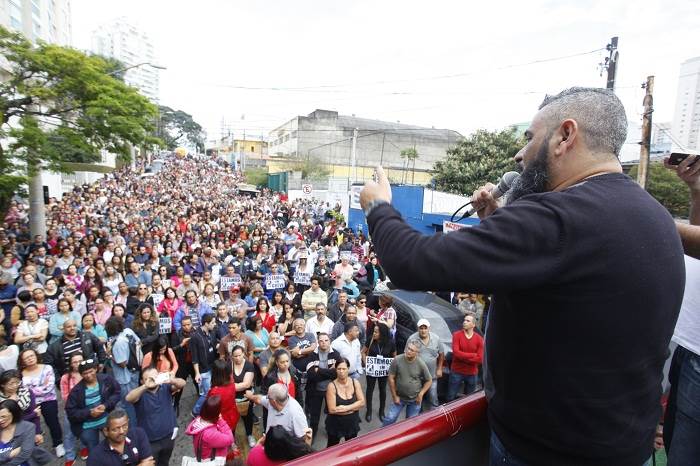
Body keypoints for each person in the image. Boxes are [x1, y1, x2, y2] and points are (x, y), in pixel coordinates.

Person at [360, 87, 684, 465]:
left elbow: (409, 262)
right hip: (625, 447)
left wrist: (378, 206)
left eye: (530, 138)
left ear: (565, 135)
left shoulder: (557, 216)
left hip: (545, 453)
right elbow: (564, 282)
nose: (520, 154)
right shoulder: (656, 216)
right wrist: (496, 220)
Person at [125, 367, 185, 466]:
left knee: (164, 462)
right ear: (141, 381)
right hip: (149, 442)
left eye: (155, 377)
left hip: (168, 436)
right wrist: (145, 386)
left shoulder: (165, 387)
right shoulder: (140, 394)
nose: (152, 380)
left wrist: (171, 380)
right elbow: (128, 398)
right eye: (148, 379)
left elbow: (182, 383)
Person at [65, 359, 121, 454]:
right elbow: (71, 412)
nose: (88, 375)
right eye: (85, 373)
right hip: (88, 425)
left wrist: (106, 405)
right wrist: (89, 413)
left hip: (107, 419)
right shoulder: (76, 391)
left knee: (116, 444)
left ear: (96, 369)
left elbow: (117, 393)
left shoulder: (106, 380)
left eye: (91, 371)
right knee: (94, 451)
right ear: (81, 374)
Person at [18, 348, 64, 457]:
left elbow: (49, 388)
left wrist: (31, 389)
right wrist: (41, 386)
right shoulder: (20, 374)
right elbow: (22, 390)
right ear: (22, 361)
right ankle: (33, 447)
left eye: (31, 356)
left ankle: (58, 444)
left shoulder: (47, 368)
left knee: (52, 422)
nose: (30, 359)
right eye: (26, 358)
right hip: (29, 403)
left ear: (36, 356)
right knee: (30, 425)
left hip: (48, 400)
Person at [104, 316, 141, 431]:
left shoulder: (118, 343)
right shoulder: (128, 331)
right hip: (135, 371)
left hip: (125, 378)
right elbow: (139, 342)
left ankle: (133, 429)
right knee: (135, 400)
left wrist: (110, 355)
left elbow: (122, 363)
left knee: (128, 404)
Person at [382, 341, 431, 426]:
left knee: (410, 424)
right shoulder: (397, 360)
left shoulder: (421, 364)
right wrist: (394, 396)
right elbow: (391, 378)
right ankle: (382, 434)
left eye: (412, 350)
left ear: (417, 353)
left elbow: (429, 380)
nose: (408, 351)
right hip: (399, 397)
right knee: (390, 419)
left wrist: (421, 394)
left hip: (415, 400)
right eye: (408, 348)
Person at [85, 409, 154, 466]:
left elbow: (149, 463)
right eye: (115, 429)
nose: (121, 431)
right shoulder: (95, 456)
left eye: (125, 426)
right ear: (106, 431)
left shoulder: (138, 434)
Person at [305, 332, 339, 438]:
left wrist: (318, 370)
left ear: (330, 341)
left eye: (326, 340)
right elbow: (311, 375)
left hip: (330, 390)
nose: (324, 343)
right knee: (314, 416)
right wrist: (329, 372)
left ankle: (331, 431)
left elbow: (336, 373)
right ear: (318, 342)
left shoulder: (335, 354)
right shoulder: (312, 355)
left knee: (331, 413)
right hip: (315, 390)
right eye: (321, 341)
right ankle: (313, 434)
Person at [324, 357, 364, 447]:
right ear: (336, 369)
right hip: (335, 424)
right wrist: (353, 408)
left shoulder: (355, 382)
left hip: (352, 423)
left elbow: (362, 402)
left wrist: (346, 408)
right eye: (339, 369)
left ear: (348, 369)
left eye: (344, 369)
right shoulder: (331, 386)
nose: (341, 371)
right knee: (332, 448)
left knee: (350, 447)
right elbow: (332, 410)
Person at [406, 318, 444, 410]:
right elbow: (406, 355)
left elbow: (441, 354)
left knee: (433, 398)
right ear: (418, 329)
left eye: (425, 328)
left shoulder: (436, 338)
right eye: (421, 328)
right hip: (417, 377)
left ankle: (435, 415)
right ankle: (419, 415)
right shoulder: (412, 339)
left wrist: (439, 368)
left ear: (429, 328)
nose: (423, 331)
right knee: (417, 399)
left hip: (432, 376)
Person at [362, 323, 396, 423]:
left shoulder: (391, 342)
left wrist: (391, 367)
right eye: (374, 331)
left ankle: (381, 411)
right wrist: (366, 363)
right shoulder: (370, 339)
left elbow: (394, 356)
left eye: (376, 332)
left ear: (382, 333)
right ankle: (369, 411)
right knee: (370, 390)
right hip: (372, 370)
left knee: (383, 390)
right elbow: (363, 352)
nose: (374, 333)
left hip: (383, 371)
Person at [185, 395, 233, 461]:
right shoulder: (209, 434)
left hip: (203, 455)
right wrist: (221, 421)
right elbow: (230, 439)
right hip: (212, 460)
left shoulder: (198, 420)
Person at [448, 312, 483, 401]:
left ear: (473, 325)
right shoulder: (456, 335)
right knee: (451, 397)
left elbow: (480, 359)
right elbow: (456, 353)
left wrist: (462, 357)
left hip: (472, 373)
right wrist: (473, 355)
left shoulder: (479, 339)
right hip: (457, 371)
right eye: (464, 320)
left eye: (468, 321)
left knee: (469, 399)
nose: (464, 322)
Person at [0, 370, 41, 444]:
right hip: (7, 436)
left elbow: (36, 415)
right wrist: (11, 403)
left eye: (17, 382)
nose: (15, 386)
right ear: (2, 385)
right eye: (11, 383)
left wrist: (37, 432)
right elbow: (10, 421)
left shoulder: (27, 392)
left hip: (28, 430)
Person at [59, 353, 85, 466]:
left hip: (86, 408)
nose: (78, 364)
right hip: (71, 409)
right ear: (70, 364)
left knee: (85, 430)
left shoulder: (87, 373)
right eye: (75, 362)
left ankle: (84, 447)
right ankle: (70, 455)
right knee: (69, 433)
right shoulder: (66, 377)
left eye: (80, 361)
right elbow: (65, 396)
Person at [190, 313, 218, 416]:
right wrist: (197, 373)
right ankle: (195, 411)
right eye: (213, 323)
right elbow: (194, 357)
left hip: (212, 366)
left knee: (211, 391)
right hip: (203, 369)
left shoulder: (212, 332)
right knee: (206, 393)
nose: (214, 324)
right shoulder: (195, 337)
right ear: (206, 323)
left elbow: (214, 345)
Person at [246, 425, 314, 466]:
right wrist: (308, 440)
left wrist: (258, 444)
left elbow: (253, 456)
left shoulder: (254, 453)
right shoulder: (292, 460)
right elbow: (306, 460)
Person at [231, 345, 256, 448]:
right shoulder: (229, 365)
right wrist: (238, 386)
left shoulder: (249, 365)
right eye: (235, 356)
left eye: (239, 355)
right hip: (232, 399)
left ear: (243, 354)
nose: (238, 358)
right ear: (232, 356)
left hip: (246, 398)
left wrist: (230, 387)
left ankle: (249, 435)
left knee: (248, 418)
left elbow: (246, 384)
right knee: (232, 419)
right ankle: (231, 439)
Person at [207, 359, 240, 436]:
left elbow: (211, 409)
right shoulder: (231, 382)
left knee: (224, 437)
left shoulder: (214, 392)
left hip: (222, 420)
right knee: (232, 433)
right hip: (233, 414)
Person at [171, 316, 197, 415]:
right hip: (182, 364)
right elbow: (172, 350)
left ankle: (201, 400)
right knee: (179, 386)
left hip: (194, 363)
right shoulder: (176, 335)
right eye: (184, 325)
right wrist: (181, 344)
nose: (186, 327)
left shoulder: (196, 332)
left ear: (191, 324)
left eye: (188, 324)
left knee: (197, 383)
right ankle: (176, 404)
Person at [0, 399, 37, 466]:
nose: (0, 420)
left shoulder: (28, 427)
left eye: (3, 417)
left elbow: (25, 453)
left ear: (14, 414)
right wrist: (11, 454)